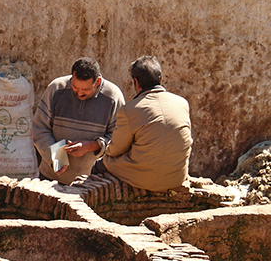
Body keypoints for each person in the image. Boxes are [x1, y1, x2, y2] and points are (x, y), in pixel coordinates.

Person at [94, 55, 192, 192]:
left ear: (136, 82)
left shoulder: (130, 110)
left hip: (145, 179)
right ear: (161, 79)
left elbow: (115, 150)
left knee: (101, 165)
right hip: (177, 177)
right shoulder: (182, 103)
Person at [33, 57, 125, 184]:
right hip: (51, 178)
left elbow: (119, 140)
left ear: (97, 82)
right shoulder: (56, 89)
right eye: (75, 87)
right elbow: (39, 128)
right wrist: (56, 157)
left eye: (86, 89)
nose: (80, 93)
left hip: (91, 181)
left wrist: (91, 146)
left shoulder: (113, 97)